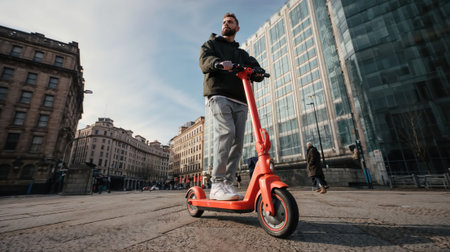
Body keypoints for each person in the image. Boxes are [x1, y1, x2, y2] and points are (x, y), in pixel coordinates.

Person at [199, 13, 265, 201]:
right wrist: (218, 64)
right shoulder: (211, 45)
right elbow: (205, 61)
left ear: (237, 28)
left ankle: (227, 184)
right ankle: (217, 183)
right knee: (226, 132)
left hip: (241, 100)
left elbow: (254, 66)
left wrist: (258, 72)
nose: (226, 24)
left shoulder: (241, 53)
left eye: (230, 22)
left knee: (238, 142)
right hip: (219, 94)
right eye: (224, 22)